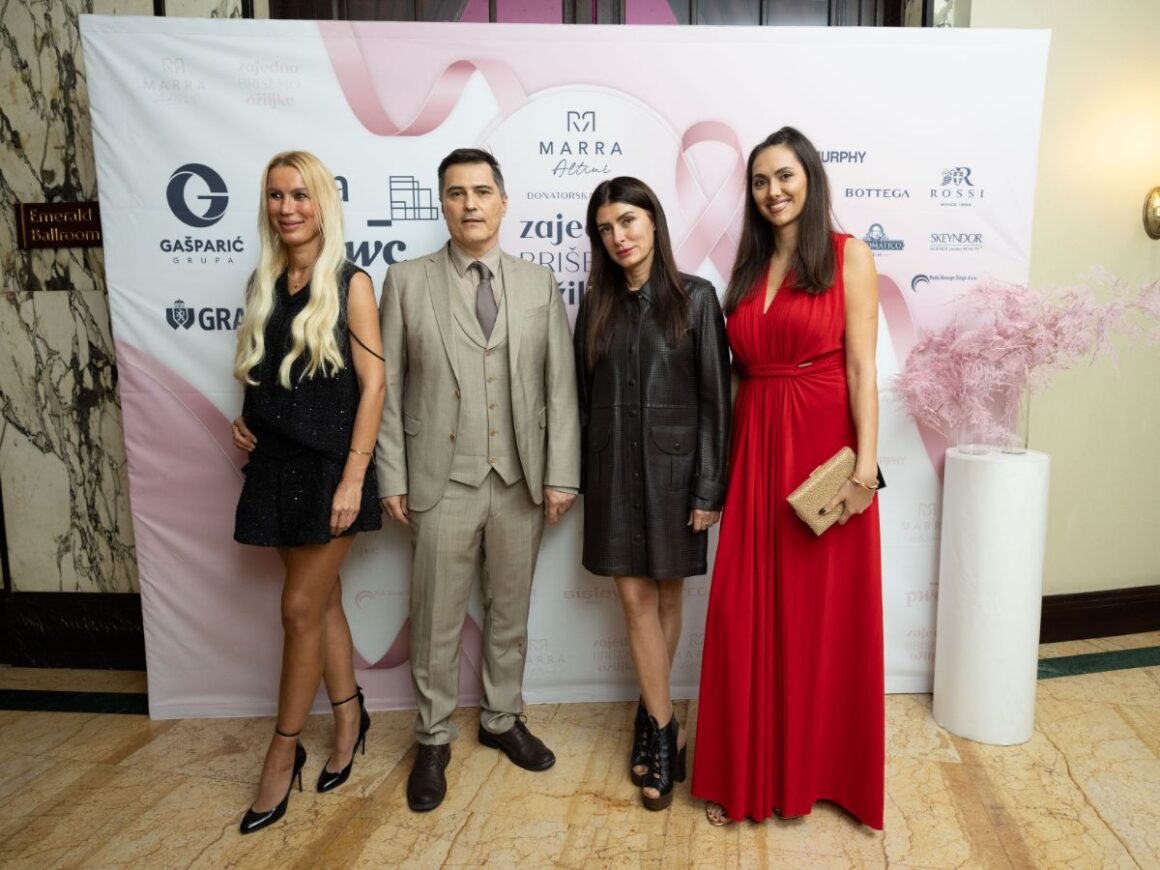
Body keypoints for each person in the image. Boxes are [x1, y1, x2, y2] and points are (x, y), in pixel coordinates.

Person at [376, 148, 581, 813]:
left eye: (482, 191)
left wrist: (561, 475)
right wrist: (391, 475)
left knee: (509, 611)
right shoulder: (405, 282)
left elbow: (559, 388)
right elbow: (387, 389)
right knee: (436, 618)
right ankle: (433, 737)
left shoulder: (537, 283)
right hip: (439, 480)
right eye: (457, 192)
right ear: (442, 203)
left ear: (503, 201)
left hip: (520, 478)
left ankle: (500, 718)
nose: (470, 203)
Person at [691, 127, 885, 829]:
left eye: (785, 176)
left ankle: (820, 773)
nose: (773, 191)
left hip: (823, 451)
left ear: (810, 179)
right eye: (760, 181)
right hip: (755, 449)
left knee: (818, 620)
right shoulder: (746, 267)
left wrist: (864, 469)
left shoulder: (847, 254)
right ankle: (744, 773)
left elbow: (862, 368)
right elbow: (733, 373)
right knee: (744, 611)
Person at [231, 151, 385, 834]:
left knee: (298, 608)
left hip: (330, 472)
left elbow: (374, 387)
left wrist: (354, 476)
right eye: (276, 195)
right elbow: (267, 373)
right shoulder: (263, 282)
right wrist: (246, 417)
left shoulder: (352, 283)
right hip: (274, 466)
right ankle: (350, 716)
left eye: (300, 195)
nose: (287, 208)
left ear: (323, 204)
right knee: (321, 605)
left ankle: (282, 751)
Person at [573, 177, 729, 811]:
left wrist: (709, 487)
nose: (619, 237)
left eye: (629, 221)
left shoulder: (697, 299)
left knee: (667, 595)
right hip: (614, 473)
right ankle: (665, 732)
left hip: (676, 476)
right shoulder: (595, 307)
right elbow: (584, 402)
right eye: (606, 229)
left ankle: (650, 714)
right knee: (634, 598)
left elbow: (716, 403)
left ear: (654, 223)